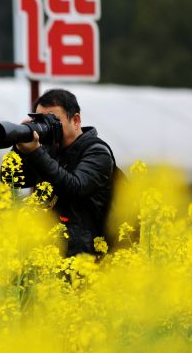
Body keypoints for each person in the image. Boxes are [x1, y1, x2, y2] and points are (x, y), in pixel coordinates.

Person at [7, 88, 115, 257]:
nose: (47, 128)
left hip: (90, 258)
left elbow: (74, 188)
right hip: (50, 254)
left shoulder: (97, 152)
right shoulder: (46, 152)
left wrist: (36, 153)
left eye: (53, 121)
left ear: (76, 120)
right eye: (42, 121)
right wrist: (19, 145)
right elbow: (11, 179)